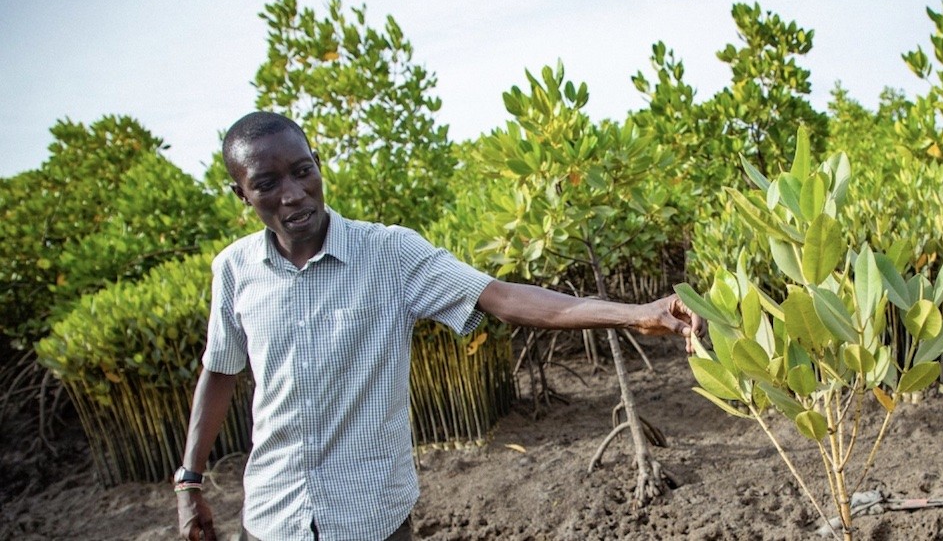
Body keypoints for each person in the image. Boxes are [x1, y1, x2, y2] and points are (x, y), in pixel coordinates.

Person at [175, 111, 700, 541]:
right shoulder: (234, 269)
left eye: (303, 171)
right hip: (271, 517)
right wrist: (190, 484)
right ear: (241, 195)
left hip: (369, 520)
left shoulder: (389, 253)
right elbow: (219, 373)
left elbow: (507, 298)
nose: (293, 194)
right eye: (267, 183)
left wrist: (636, 313)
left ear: (318, 166)